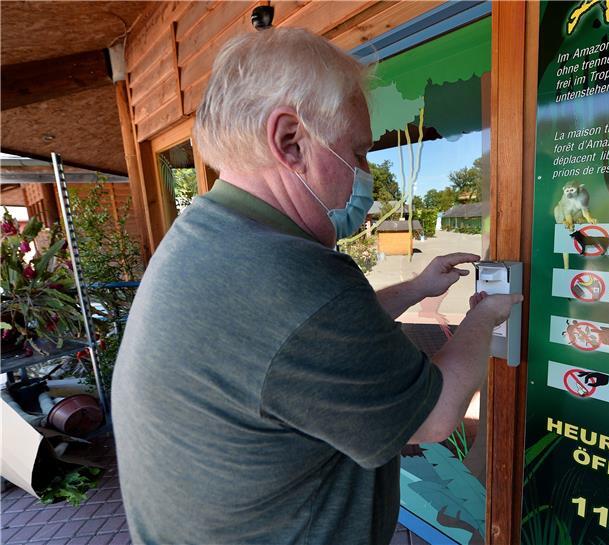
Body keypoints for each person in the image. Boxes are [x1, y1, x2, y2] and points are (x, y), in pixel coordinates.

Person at [112, 27, 521, 545]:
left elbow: (293, 345)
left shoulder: (210, 236)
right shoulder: (289, 271)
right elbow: (436, 417)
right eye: (359, 150)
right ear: (290, 141)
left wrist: (417, 288)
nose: (367, 176)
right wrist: (485, 317)